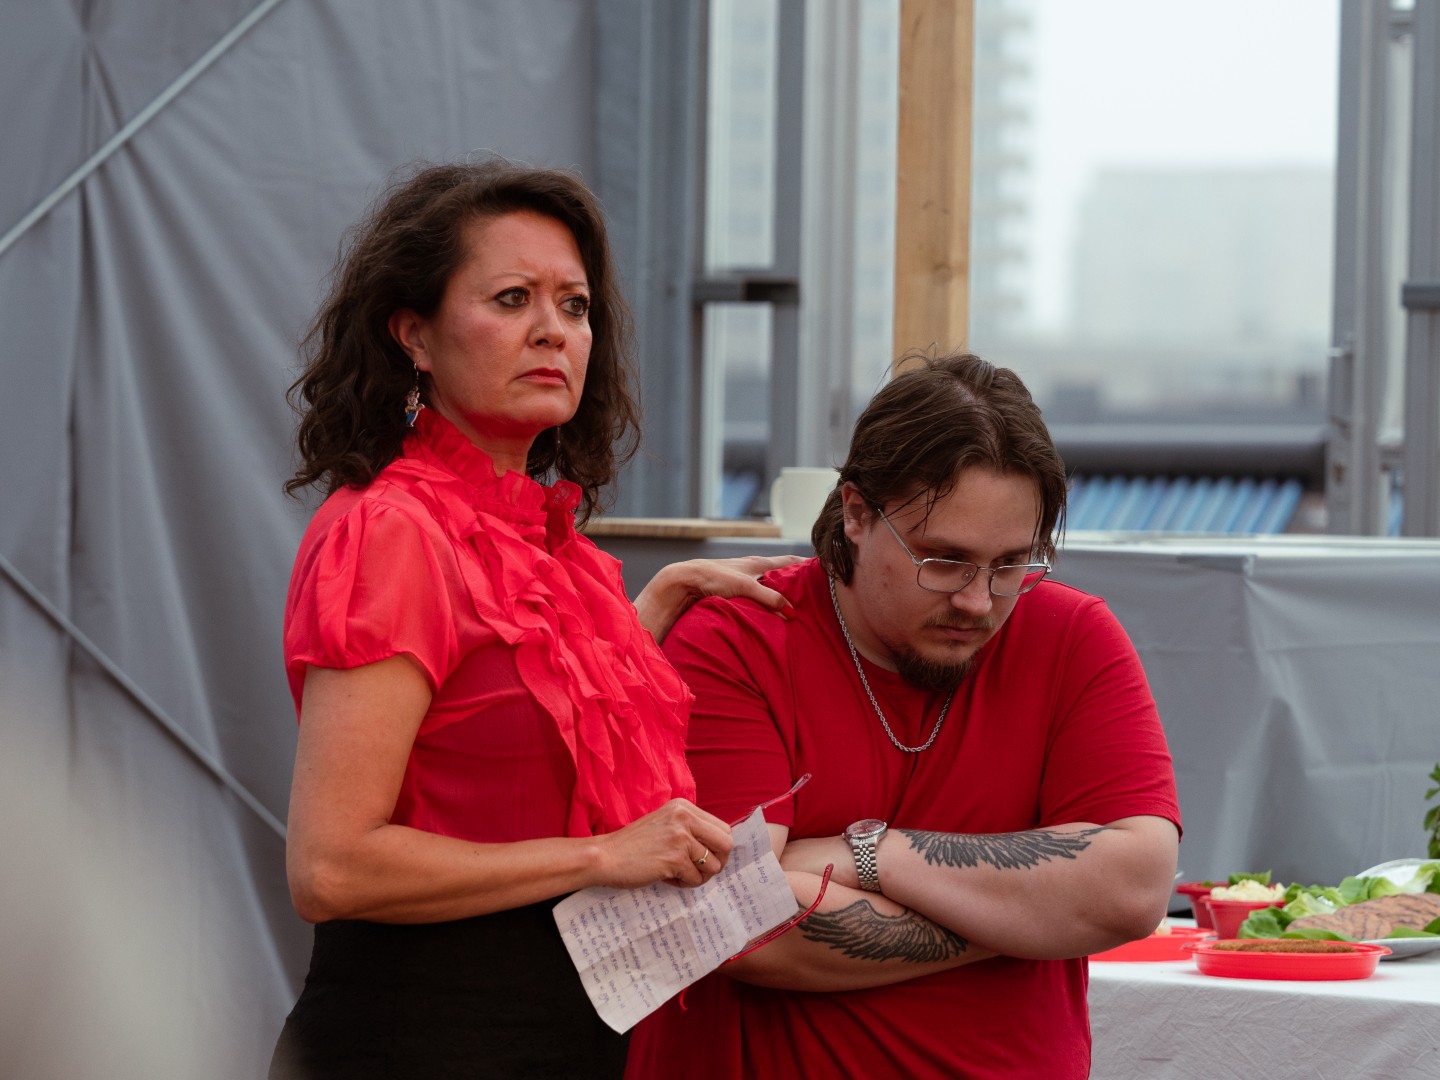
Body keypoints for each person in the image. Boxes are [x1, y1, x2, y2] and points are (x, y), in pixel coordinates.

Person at [267, 157, 799, 1079]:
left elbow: (503, 714)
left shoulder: (549, 542)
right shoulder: (393, 531)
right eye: (512, 299)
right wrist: (602, 856)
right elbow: (331, 869)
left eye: (575, 306)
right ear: (415, 336)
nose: (553, 330)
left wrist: (647, 612)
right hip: (418, 1041)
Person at [626, 352, 1182, 1080]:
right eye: (943, 560)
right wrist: (1035, 913)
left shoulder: (1071, 636)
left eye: (1011, 564)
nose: (978, 601)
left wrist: (873, 855)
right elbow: (743, 927)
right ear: (857, 513)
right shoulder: (738, 639)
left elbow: (1133, 890)